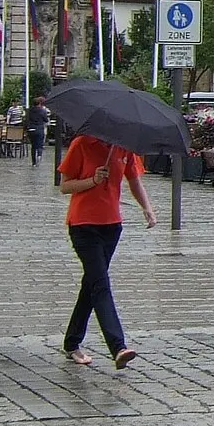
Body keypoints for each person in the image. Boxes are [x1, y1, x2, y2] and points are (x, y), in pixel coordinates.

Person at [56, 133, 155, 368]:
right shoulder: (82, 144)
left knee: (92, 283)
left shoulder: (124, 148)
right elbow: (65, 186)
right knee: (100, 283)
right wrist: (92, 180)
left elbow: (134, 180)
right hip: (83, 226)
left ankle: (72, 343)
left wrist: (147, 209)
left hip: (111, 226)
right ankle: (117, 346)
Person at [25, 100, 51, 166]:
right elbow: (46, 120)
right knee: (39, 144)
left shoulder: (29, 111)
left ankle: (33, 162)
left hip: (31, 129)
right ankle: (39, 155)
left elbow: (26, 120)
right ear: (39, 103)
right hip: (39, 128)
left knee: (33, 146)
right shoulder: (42, 110)